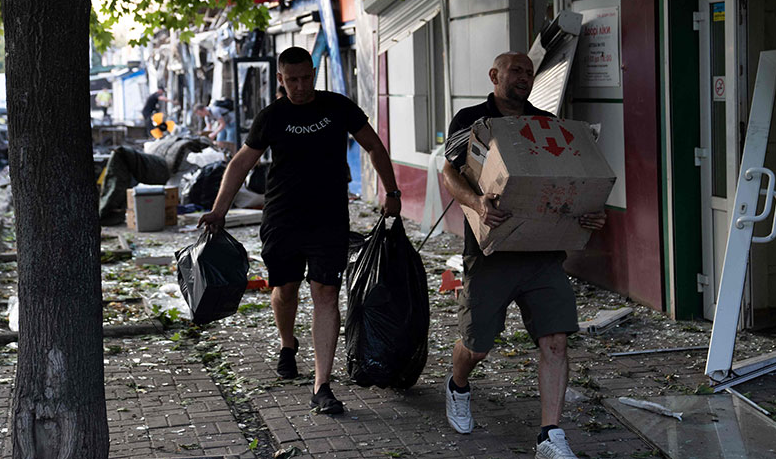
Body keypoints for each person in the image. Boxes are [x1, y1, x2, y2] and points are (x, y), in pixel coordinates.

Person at [198, 46, 401, 415]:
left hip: (329, 218)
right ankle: (287, 343)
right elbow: (241, 163)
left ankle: (322, 386)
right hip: (282, 218)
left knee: (326, 292)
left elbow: (373, 145)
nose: (301, 86)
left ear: (314, 74)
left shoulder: (337, 107)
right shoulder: (272, 116)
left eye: (307, 77)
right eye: (293, 80)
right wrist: (218, 210)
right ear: (281, 79)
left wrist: (392, 191)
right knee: (285, 289)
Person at [440, 51, 606, 459]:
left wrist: (589, 212)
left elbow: (566, 182)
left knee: (555, 341)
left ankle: (550, 435)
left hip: (543, 253)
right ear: (494, 75)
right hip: (491, 252)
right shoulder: (473, 121)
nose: (524, 78)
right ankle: (457, 386)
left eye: (529, 73)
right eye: (516, 71)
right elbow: (450, 172)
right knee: (477, 346)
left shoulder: (546, 124)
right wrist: (478, 204)